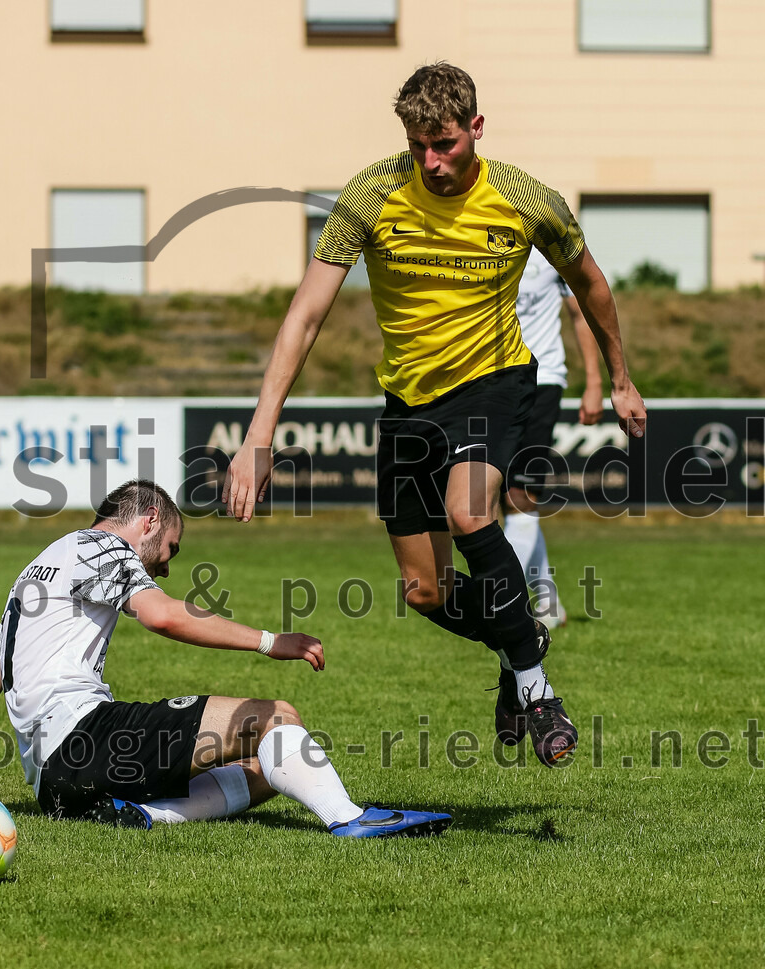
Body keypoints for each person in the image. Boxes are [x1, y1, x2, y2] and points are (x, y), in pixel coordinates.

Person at [223, 62, 646, 767]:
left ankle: (538, 693)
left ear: (475, 129)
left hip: (494, 380)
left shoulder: (525, 198)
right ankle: (521, 646)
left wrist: (622, 377)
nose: (432, 160)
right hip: (409, 403)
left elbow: (591, 284)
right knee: (424, 591)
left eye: (445, 143)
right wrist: (258, 433)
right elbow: (306, 313)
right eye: (419, 143)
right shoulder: (371, 193)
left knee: (470, 509)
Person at [0, 479, 451, 839]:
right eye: (170, 547)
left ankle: (148, 816)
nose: (167, 566)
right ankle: (351, 818)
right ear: (149, 520)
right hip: (86, 739)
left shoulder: (35, 573)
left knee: (268, 768)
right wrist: (270, 641)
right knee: (277, 717)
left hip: (53, 784)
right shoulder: (102, 547)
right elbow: (164, 616)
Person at [502, 247, 605, 629]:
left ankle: (500, 599)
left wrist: (594, 383)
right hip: (489, 383)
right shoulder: (477, 246)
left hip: (542, 380)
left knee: (520, 495)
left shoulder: (552, 249)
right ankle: (547, 601)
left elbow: (581, 314)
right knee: (503, 502)